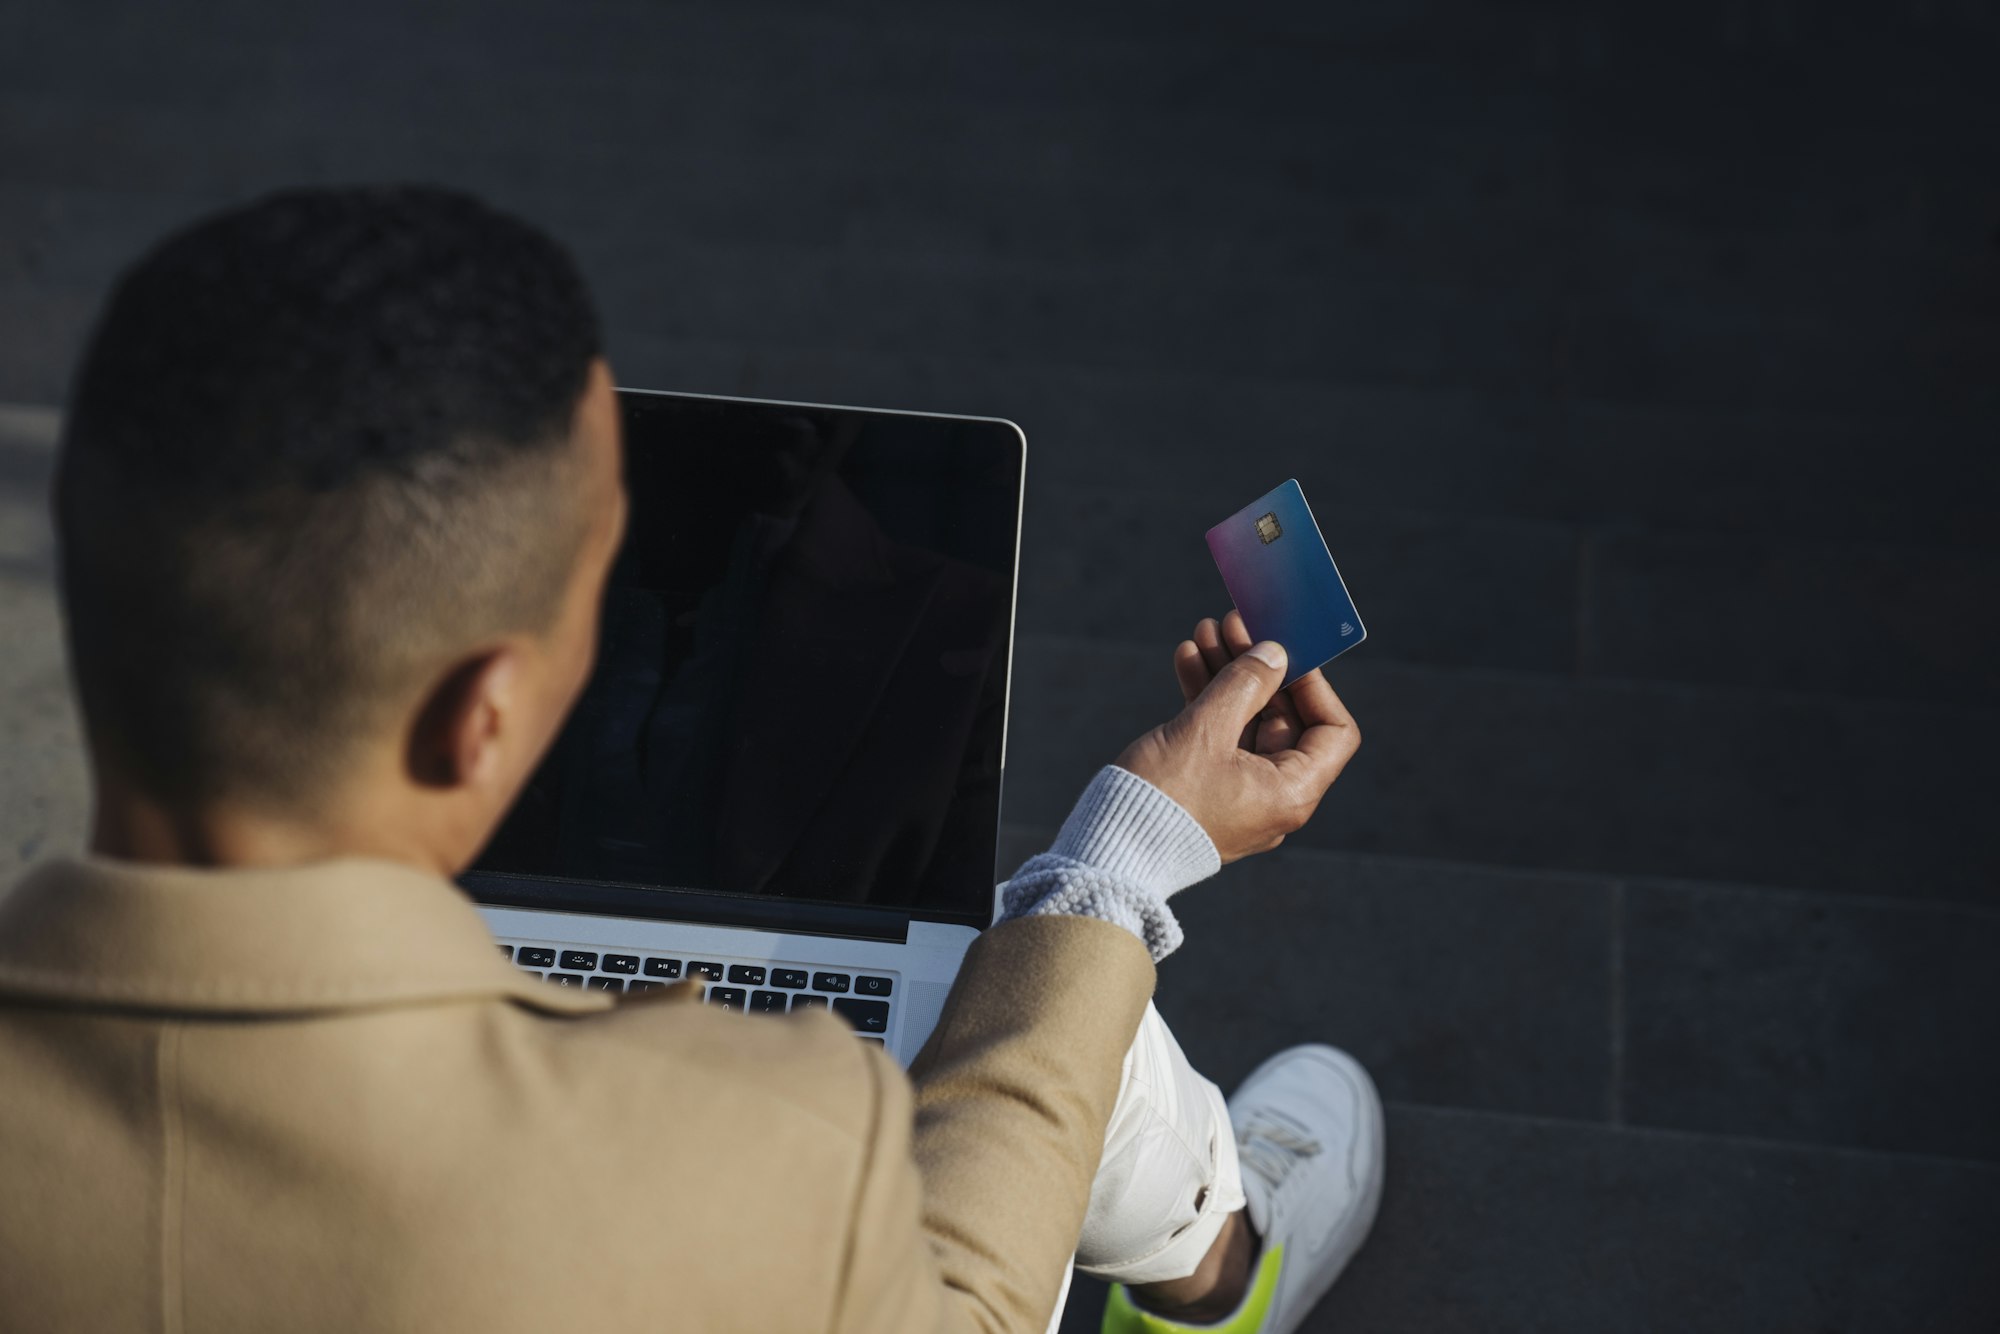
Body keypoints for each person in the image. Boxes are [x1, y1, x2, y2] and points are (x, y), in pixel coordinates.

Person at [0, 186, 1381, 1334]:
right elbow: (962, 1303)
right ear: (483, 714)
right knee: (1057, 1014)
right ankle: (1219, 1278)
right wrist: (1121, 855)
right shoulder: (749, 1138)